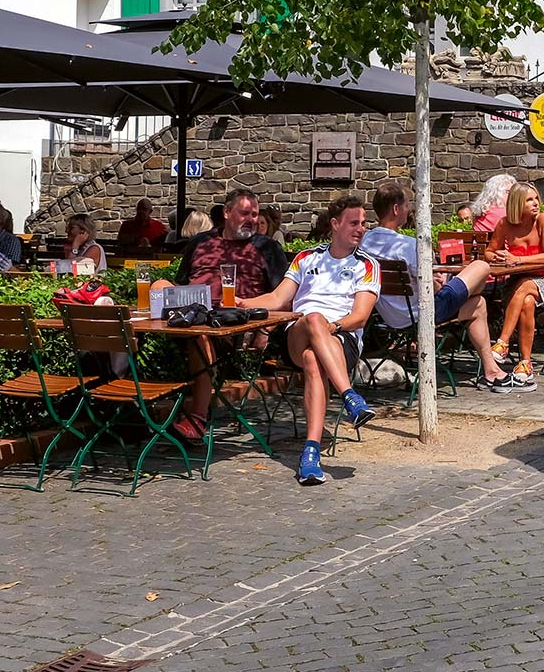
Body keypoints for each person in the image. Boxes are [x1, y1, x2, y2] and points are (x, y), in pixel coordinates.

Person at [239, 195, 380, 486]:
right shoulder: (307, 257)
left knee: (313, 360)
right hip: (299, 332)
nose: (361, 228)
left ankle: (311, 454)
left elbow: (360, 317)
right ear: (335, 224)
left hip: (341, 338)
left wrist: (334, 326)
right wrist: (244, 303)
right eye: (354, 223)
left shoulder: (366, 265)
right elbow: (278, 299)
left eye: (364, 224)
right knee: (313, 318)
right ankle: (350, 397)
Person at [153, 188, 290, 440]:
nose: (250, 219)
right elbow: (180, 283)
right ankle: (127, 397)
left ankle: (197, 418)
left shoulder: (266, 247)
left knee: (200, 335)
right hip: (188, 313)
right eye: (244, 213)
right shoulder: (201, 242)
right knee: (158, 285)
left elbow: (283, 297)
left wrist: (265, 328)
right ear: (227, 213)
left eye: (255, 214)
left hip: (231, 325)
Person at [359, 181, 520, 393]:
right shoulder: (407, 245)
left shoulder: (364, 242)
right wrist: (441, 282)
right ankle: (491, 371)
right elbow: (432, 288)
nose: (409, 210)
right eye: (407, 205)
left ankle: (491, 371)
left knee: (478, 304)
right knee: (481, 266)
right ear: (396, 209)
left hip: (389, 317)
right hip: (423, 314)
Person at [485, 182, 544, 387]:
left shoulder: (543, 220)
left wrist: (518, 260)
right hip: (515, 284)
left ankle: (502, 343)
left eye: (536, 199)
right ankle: (525, 363)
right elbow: (489, 252)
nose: (536, 204)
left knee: (525, 287)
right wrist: (498, 256)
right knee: (526, 302)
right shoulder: (504, 224)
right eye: (529, 200)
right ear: (517, 203)